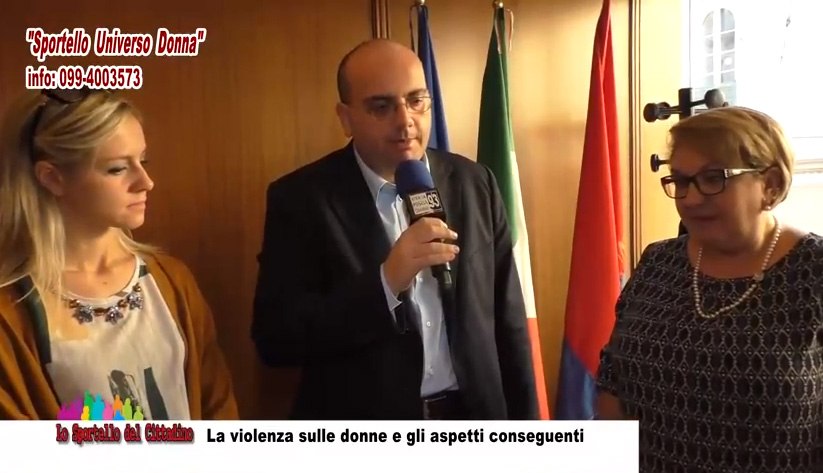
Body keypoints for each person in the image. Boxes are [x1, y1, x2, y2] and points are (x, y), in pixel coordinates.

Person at [251, 39, 538, 420]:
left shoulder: (475, 183)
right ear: (345, 118)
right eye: (382, 106)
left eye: (417, 101)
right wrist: (385, 283)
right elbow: (276, 340)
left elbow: (510, 324)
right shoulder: (301, 200)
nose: (405, 121)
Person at [596, 107, 823, 472]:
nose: (690, 198)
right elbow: (614, 381)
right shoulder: (658, 262)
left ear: (771, 184)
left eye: (713, 178)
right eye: (681, 181)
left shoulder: (813, 271)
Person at [0, 88, 238, 420]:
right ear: (52, 178)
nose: (146, 182)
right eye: (117, 169)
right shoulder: (10, 316)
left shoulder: (173, 281)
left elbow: (218, 408)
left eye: (143, 161)